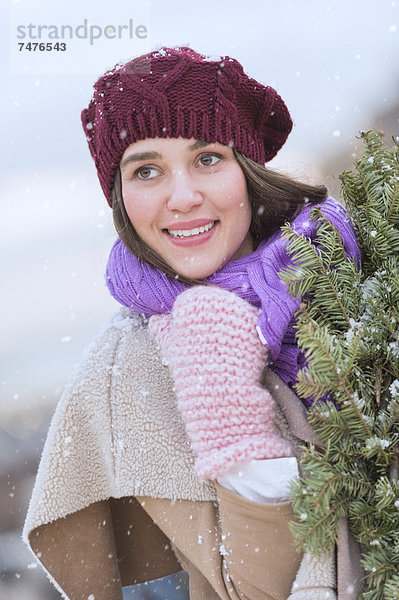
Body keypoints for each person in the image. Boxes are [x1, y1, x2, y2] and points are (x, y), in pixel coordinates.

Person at [23, 46, 364, 600]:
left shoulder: (344, 267)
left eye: (207, 158)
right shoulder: (130, 367)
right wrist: (234, 428)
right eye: (147, 170)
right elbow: (258, 589)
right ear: (122, 198)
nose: (182, 198)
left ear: (247, 171)